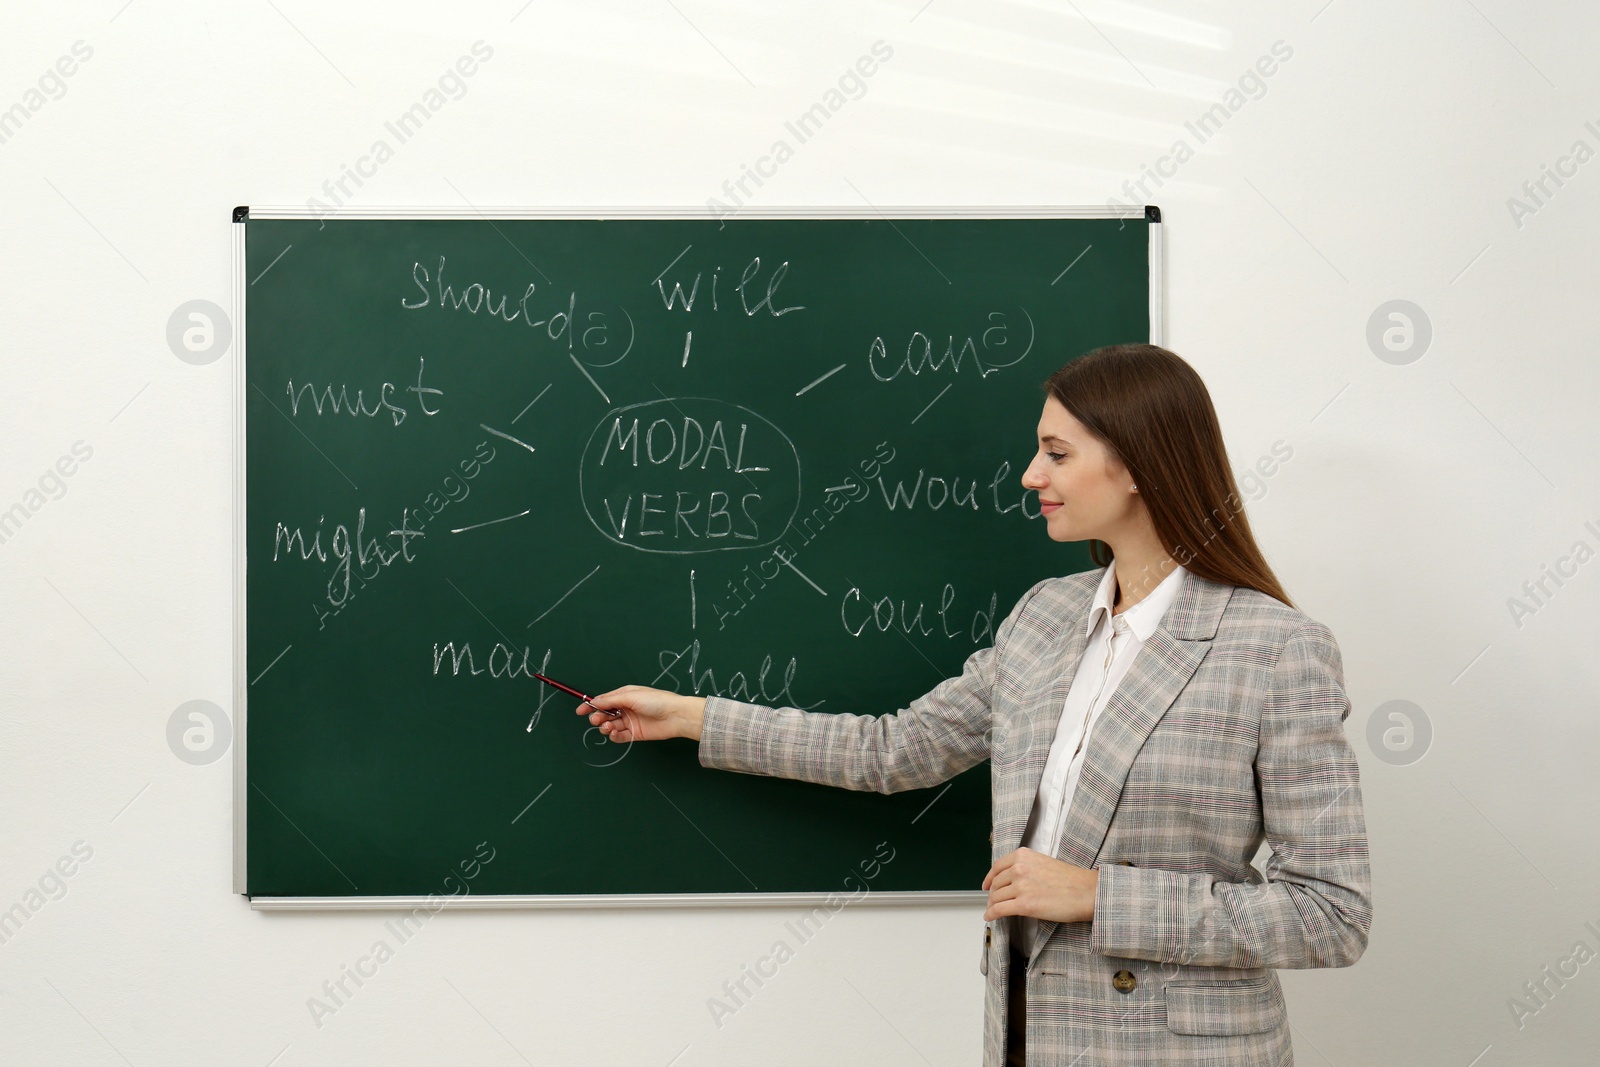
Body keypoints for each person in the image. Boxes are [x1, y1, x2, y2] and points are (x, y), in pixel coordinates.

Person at [581, 343, 1372, 1066]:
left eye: (1056, 453)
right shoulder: (1044, 618)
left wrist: (1101, 895)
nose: (1031, 474)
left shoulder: (1275, 649)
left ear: (1137, 464)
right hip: (1031, 1034)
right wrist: (690, 716)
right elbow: (894, 751)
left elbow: (1333, 913)